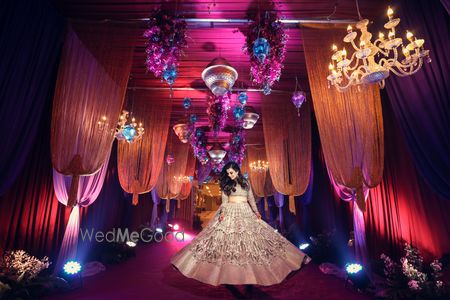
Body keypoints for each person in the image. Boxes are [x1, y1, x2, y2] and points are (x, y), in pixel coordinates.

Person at [170, 161, 311, 286]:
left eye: (231, 172)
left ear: (237, 171)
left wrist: (256, 212)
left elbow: (250, 198)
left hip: (245, 211)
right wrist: (223, 214)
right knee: (226, 240)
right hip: (230, 211)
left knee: (253, 239)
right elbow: (224, 202)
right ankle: (228, 272)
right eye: (227, 173)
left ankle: (275, 265)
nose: (230, 175)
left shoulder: (245, 183)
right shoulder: (226, 184)